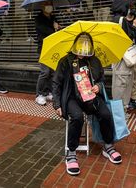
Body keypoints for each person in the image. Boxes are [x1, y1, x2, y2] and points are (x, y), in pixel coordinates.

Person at [53, 33, 122, 176]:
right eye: (81, 44)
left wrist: (98, 86)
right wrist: (57, 104)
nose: (83, 49)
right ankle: (71, 153)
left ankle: (108, 146)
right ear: (75, 44)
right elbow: (56, 83)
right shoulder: (65, 61)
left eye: (86, 45)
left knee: (105, 114)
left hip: (90, 96)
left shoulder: (95, 61)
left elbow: (101, 79)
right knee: (77, 117)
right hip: (71, 97)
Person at [111, 1, 136, 111]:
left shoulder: (113, 20)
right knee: (123, 89)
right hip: (123, 61)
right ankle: (120, 117)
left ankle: (119, 114)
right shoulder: (121, 20)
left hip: (117, 60)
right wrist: (134, 26)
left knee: (118, 88)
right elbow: (127, 39)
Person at [34, 1, 61, 105]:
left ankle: (48, 92)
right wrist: (54, 28)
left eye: (50, 4)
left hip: (53, 49)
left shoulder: (54, 17)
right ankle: (39, 94)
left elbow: (59, 32)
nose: (49, 7)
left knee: (52, 73)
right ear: (42, 6)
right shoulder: (38, 18)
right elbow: (45, 32)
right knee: (45, 72)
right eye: (47, 4)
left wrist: (58, 28)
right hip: (44, 48)